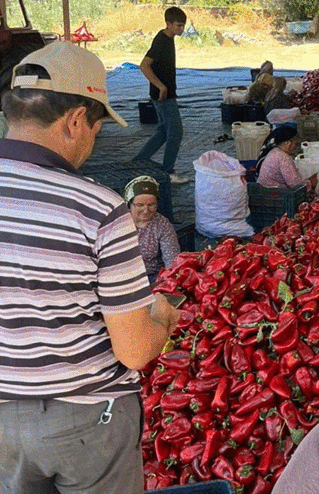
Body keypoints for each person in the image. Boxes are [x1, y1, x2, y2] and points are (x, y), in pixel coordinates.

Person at [0, 42, 180, 494]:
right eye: (97, 131)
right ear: (76, 119)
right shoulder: (96, 207)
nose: (90, 144)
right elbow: (135, 351)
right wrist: (163, 319)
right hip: (85, 420)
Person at [133, 7, 188, 185]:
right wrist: (161, 86)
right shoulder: (162, 41)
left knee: (163, 132)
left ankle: (139, 161)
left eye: (183, 26)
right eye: (178, 25)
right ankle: (168, 171)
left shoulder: (167, 38)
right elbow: (144, 66)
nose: (181, 29)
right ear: (168, 24)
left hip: (165, 93)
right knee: (176, 132)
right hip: (164, 96)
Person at [124, 176, 181, 284]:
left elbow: (172, 260)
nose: (146, 210)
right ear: (129, 204)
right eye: (140, 205)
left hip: (152, 277)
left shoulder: (162, 224)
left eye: (151, 205)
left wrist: (166, 281)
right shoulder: (117, 223)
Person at [256, 125, 317, 192]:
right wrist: (310, 183)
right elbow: (295, 185)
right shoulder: (283, 158)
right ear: (289, 143)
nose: (294, 147)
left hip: (265, 191)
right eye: (295, 143)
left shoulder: (274, 151)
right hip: (275, 195)